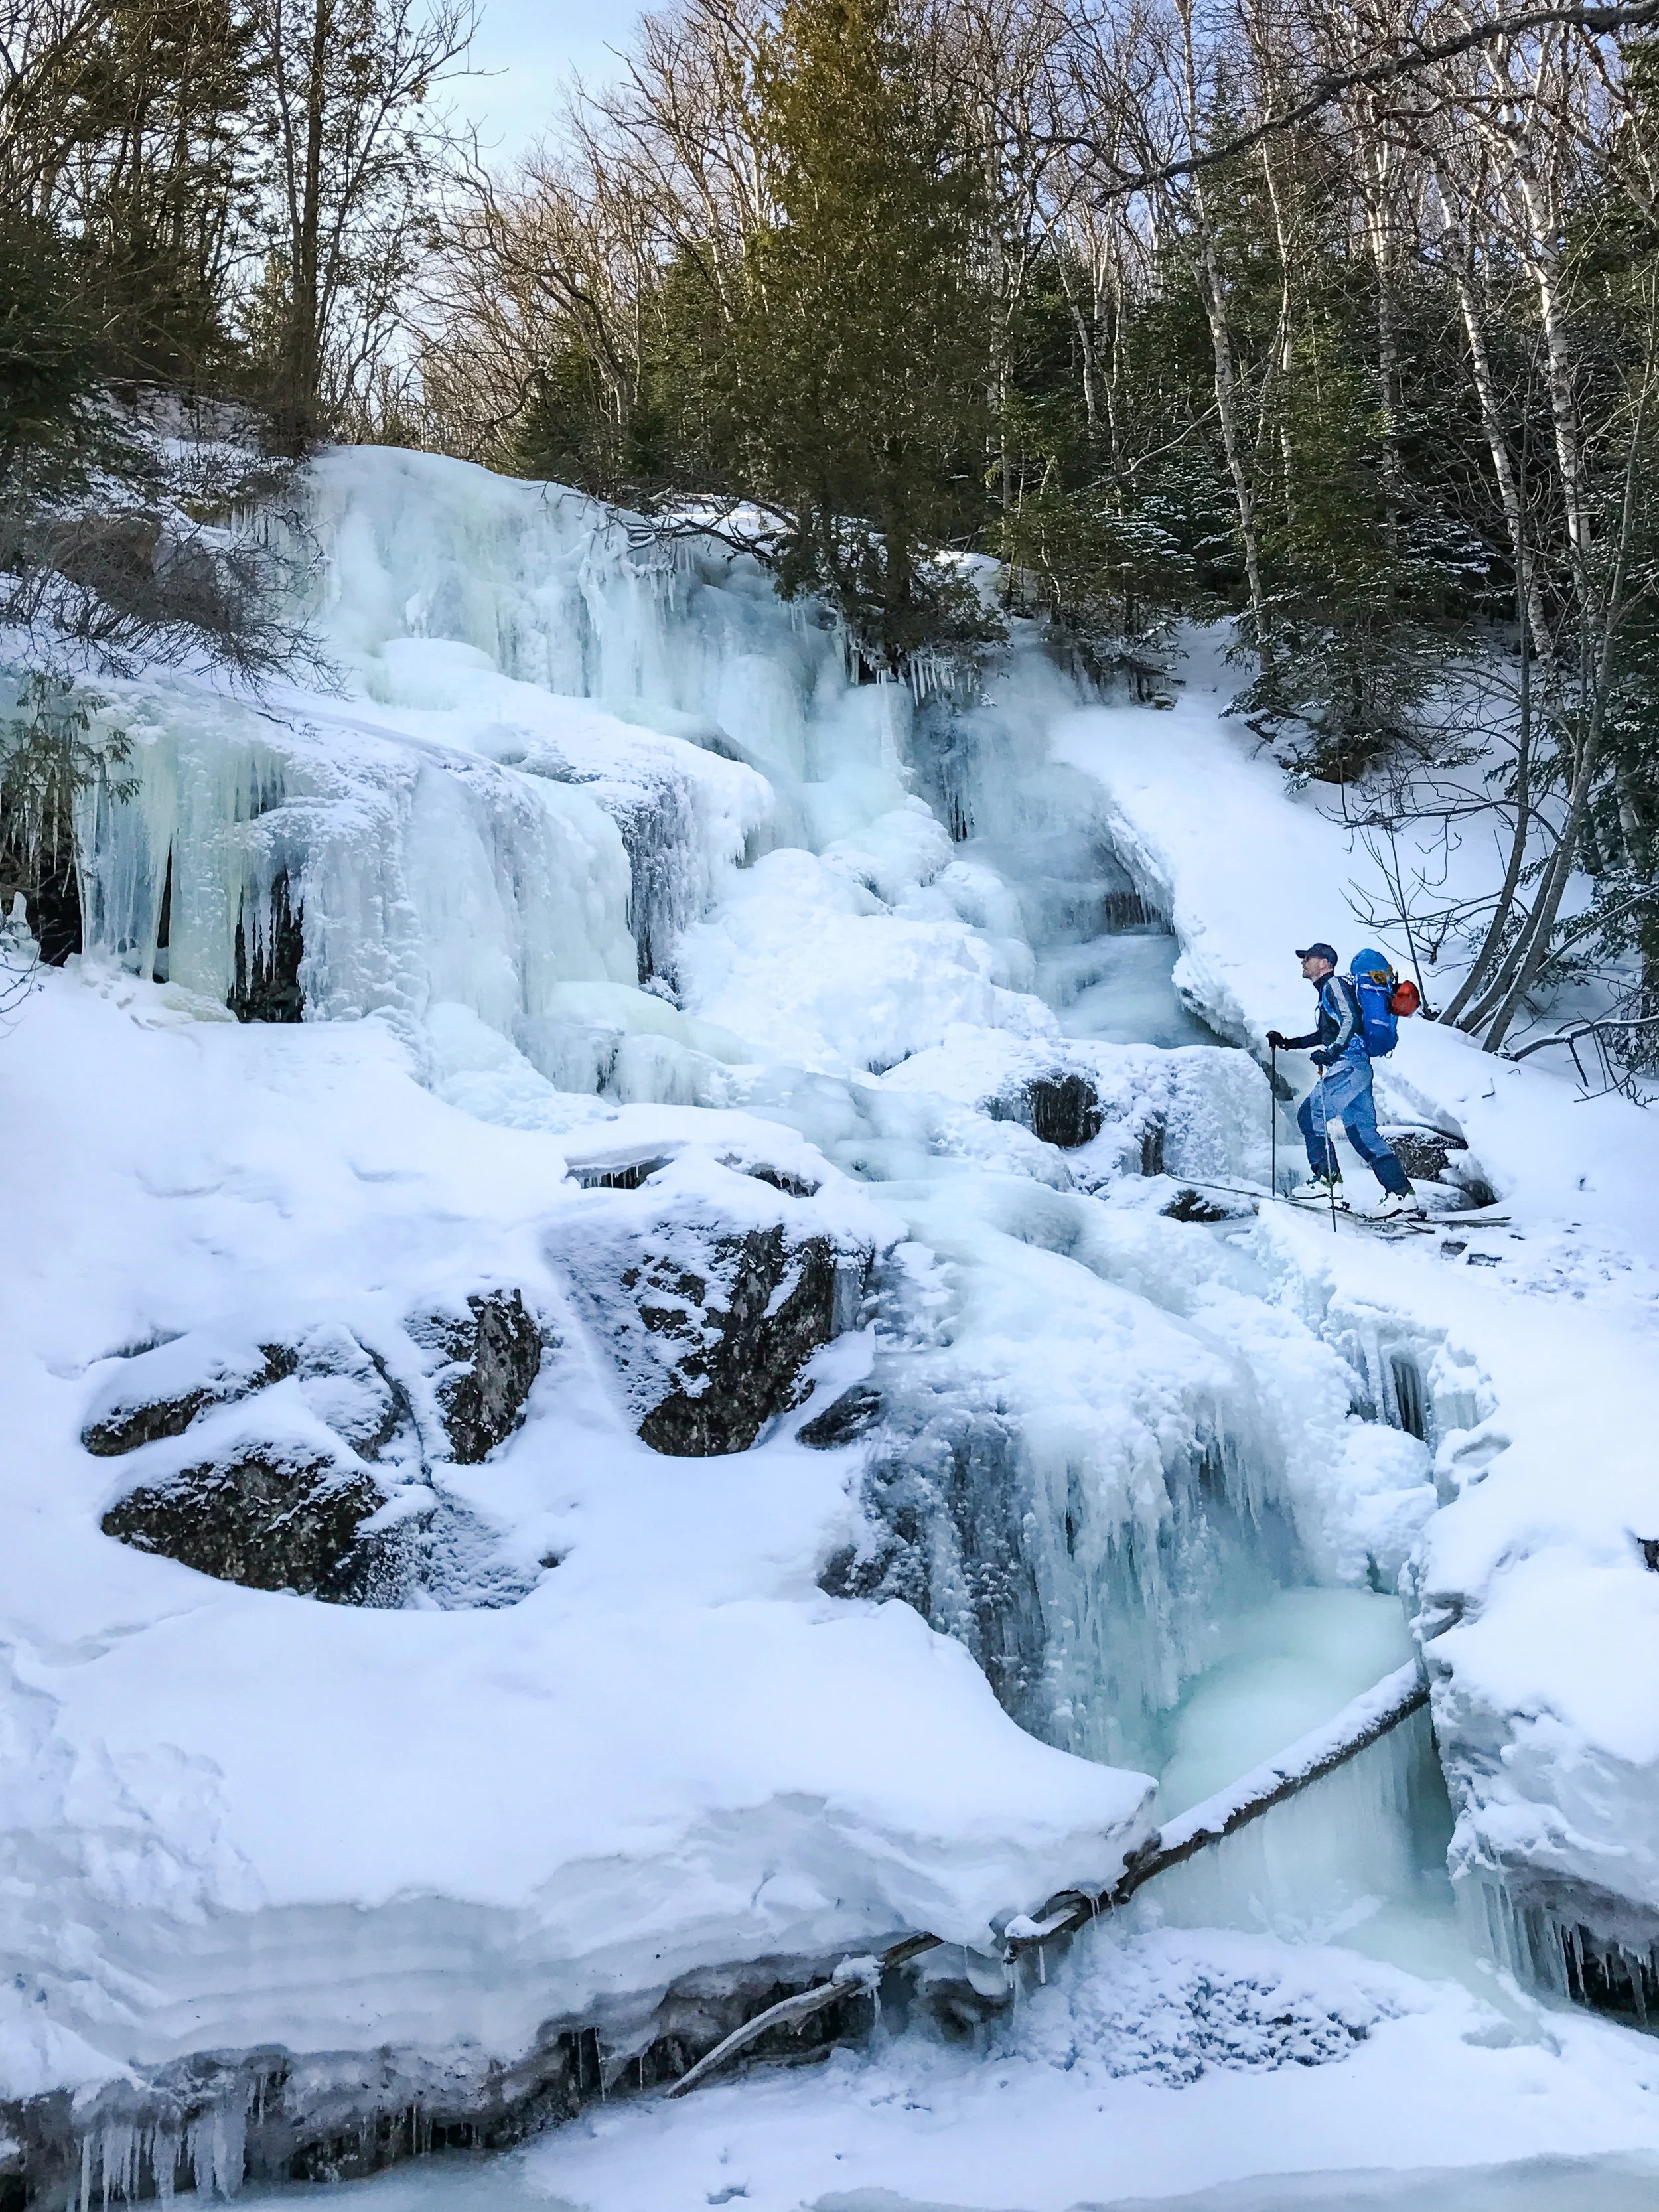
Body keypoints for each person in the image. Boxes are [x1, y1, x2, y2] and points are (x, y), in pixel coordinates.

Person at [1267, 943, 1421, 1218]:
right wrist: (1289, 1043)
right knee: (1363, 1134)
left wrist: (1333, 1052)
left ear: (1324, 963)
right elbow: (1327, 1033)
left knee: (1310, 1115)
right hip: (1356, 1067)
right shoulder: (1331, 991)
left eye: (1308, 958)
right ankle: (1401, 1195)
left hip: (1348, 1065)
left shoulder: (1334, 985)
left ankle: (1327, 1186)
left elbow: (1349, 1020)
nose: (1303, 962)